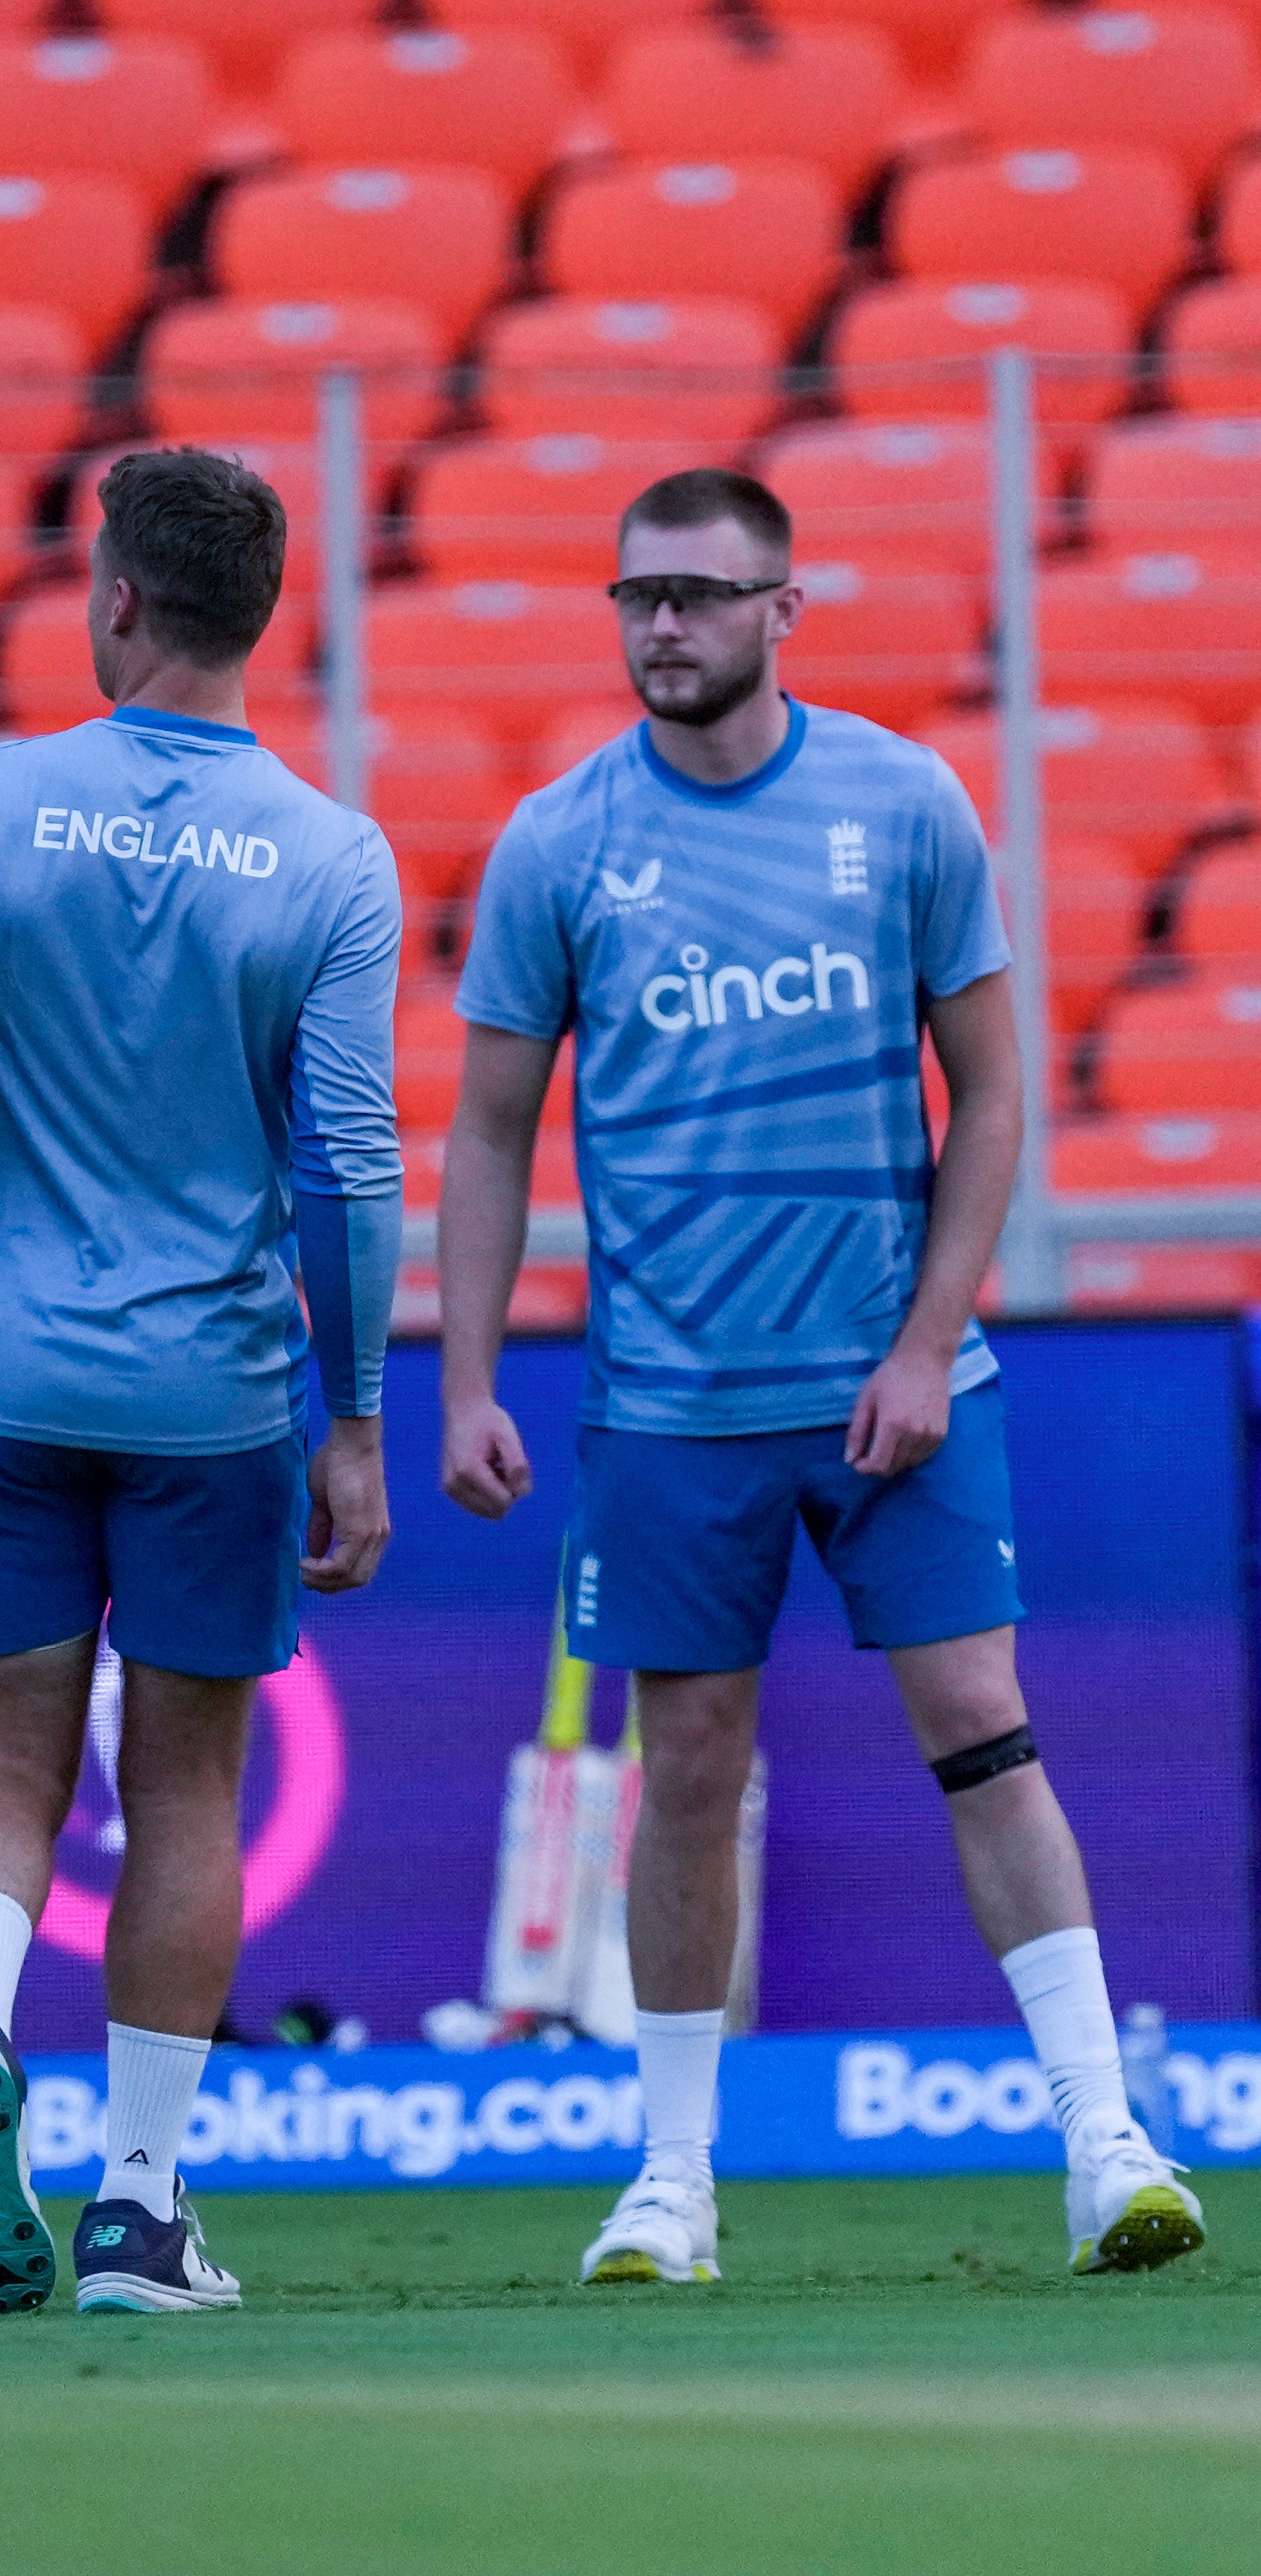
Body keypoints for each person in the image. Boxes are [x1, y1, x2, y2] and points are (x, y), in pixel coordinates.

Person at [434, 467, 1205, 2286]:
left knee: (984, 1731)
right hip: (667, 1406)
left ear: (785, 610)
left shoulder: (901, 802)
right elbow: (484, 1130)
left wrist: (929, 1340)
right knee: (686, 1764)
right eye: (638, 596)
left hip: (895, 1390)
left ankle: (1103, 2140)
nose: (663, 627)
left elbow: (994, 1089)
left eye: (701, 596)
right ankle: (672, 2181)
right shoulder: (559, 842)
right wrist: (461, 1378)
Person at [0, 450, 402, 2320]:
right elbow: (351, 1167)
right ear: (256, 612)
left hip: (3, 1374)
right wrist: (352, 1421)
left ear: (113, 597)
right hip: (211, 1392)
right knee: (183, 1791)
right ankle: (135, 2207)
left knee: (0, 1765)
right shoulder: (327, 853)